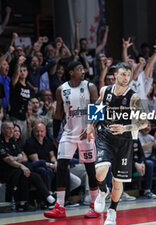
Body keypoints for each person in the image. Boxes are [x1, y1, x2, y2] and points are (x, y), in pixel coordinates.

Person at [86, 62, 149, 225]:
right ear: (115, 75)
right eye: (122, 74)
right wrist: (90, 125)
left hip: (124, 141)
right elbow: (97, 106)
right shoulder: (105, 91)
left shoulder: (133, 97)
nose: (125, 77)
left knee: (117, 181)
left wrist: (125, 127)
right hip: (105, 136)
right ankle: (102, 190)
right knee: (99, 172)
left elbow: (143, 122)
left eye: (128, 75)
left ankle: (112, 211)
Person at [44, 61, 100, 219]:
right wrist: (55, 135)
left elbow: (97, 110)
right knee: (61, 166)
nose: (83, 71)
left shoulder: (90, 87)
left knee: (90, 168)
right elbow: (58, 114)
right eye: (79, 69)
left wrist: (90, 126)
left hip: (86, 133)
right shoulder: (62, 89)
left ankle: (95, 205)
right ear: (70, 72)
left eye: (83, 69)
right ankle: (60, 206)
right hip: (68, 133)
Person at [0, 121, 55, 212]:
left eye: (13, 128)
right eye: (9, 128)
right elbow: (7, 160)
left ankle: (48, 197)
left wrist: (14, 158)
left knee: (34, 175)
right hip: (1, 171)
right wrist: (19, 164)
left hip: (13, 169)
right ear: (2, 130)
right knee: (23, 172)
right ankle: (22, 203)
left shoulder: (12, 141)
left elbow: (22, 157)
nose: (11, 131)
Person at [23, 122, 57, 192]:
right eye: (37, 131)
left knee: (62, 170)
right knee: (45, 171)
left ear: (45, 132)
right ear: (33, 132)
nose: (39, 134)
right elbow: (37, 161)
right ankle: (48, 194)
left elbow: (52, 156)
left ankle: (63, 197)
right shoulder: (30, 143)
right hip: (36, 166)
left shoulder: (47, 141)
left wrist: (55, 163)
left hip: (49, 165)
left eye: (41, 131)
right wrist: (51, 165)